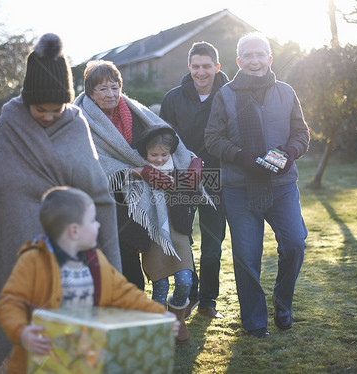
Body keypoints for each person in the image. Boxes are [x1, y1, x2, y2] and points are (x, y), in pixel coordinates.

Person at [0, 34, 120, 374]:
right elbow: (7, 187)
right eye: (39, 108)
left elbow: (97, 191)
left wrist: (107, 260)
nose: (46, 116)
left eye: (55, 108)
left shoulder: (75, 122)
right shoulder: (11, 119)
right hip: (12, 246)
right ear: (27, 100)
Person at [74, 60, 203, 345]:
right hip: (105, 207)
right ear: (90, 91)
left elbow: (168, 139)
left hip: (144, 203)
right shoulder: (78, 118)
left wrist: (192, 160)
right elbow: (87, 164)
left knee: (150, 274)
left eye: (114, 86)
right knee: (120, 272)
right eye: (102, 88)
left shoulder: (135, 111)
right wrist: (137, 170)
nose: (110, 93)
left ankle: (163, 325)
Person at [0, 186, 178, 373]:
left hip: (83, 355)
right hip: (41, 359)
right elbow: (10, 302)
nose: (98, 225)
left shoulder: (96, 261)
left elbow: (125, 293)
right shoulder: (33, 261)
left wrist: (158, 313)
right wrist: (22, 331)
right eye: (92, 221)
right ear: (74, 231)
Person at [205, 32, 310, 338]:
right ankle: (254, 322)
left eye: (259, 54)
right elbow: (212, 138)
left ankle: (283, 301)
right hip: (240, 187)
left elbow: (301, 133)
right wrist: (241, 156)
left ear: (269, 58)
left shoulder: (287, 92)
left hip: (282, 186)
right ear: (239, 61)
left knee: (294, 244)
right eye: (247, 56)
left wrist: (289, 153)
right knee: (247, 257)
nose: (254, 60)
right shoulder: (225, 95)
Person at [160, 41, 229, 320]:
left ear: (217, 67)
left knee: (212, 245)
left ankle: (208, 301)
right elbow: (164, 137)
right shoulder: (173, 98)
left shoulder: (230, 95)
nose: (201, 72)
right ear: (189, 67)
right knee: (184, 241)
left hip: (216, 178)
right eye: (196, 67)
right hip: (183, 177)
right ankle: (190, 294)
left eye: (207, 66)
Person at [135, 125, 200, 344]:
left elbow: (189, 183)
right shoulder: (138, 169)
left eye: (164, 154)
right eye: (154, 155)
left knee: (185, 281)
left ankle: (177, 317)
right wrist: (143, 173)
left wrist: (196, 165)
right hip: (154, 235)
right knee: (160, 286)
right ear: (145, 153)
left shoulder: (180, 165)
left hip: (178, 231)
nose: (160, 159)